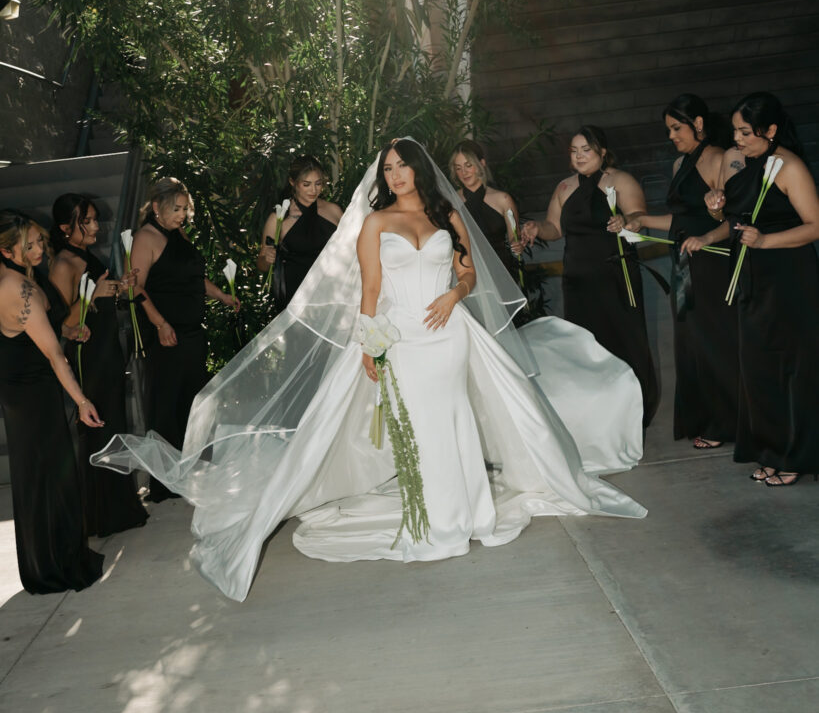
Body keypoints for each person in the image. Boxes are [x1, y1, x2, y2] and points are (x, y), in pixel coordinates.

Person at [93, 138, 645, 602]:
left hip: (448, 332)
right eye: (388, 168)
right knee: (420, 427)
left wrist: (455, 294)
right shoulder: (375, 222)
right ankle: (435, 520)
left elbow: (469, 273)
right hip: (400, 337)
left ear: (419, 169)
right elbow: (371, 291)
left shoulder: (446, 215)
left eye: (403, 166)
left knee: (453, 418)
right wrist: (369, 346)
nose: (396, 174)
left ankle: (470, 512)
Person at [682, 93, 819, 486]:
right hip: (751, 276)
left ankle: (795, 456)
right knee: (759, 369)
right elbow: (737, 221)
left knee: (789, 368)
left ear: (770, 130)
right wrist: (712, 218)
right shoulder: (750, 165)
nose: (737, 139)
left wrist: (765, 241)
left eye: (745, 132)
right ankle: (771, 451)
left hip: (787, 277)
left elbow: (815, 225)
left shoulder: (789, 167)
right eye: (735, 131)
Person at [610, 95, 739, 448]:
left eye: (676, 128)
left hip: (712, 261)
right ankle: (705, 418)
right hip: (684, 262)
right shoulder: (679, 163)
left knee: (715, 340)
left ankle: (726, 422)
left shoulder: (721, 158)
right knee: (691, 342)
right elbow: (680, 220)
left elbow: (732, 219)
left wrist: (708, 234)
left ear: (698, 123)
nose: (671, 136)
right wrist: (640, 220)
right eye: (668, 129)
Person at [520, 126, 658, 428]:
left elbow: (639, 217)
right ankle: (598, 412)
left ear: (602, 152)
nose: (579, 156)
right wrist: (536, 228)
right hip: (578, 279)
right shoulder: (564, 187)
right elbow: (554, 228)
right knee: (586, 346)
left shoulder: (620, 180)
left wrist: (626, 220)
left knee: (623, 342)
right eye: (574, 151)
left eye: (586, 150)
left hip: (615, 275)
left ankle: (633, 410)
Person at [0, 211, 104, 594]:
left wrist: (68, 329)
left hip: (26, 389)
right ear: (6, 251)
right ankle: (53, 566)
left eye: (39, 241)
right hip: (31, 393)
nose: (39, 249)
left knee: (42, 476)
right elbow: (54, 356)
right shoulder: (18, 288)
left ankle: (48, 562)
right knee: (49, 478)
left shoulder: (19, 276)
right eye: (28, 245)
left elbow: (34, 329)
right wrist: (81, 400)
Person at [131, 177, 239, 502]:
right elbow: (135, 287)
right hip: (166, 334)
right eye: (176, 209)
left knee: (194, 403)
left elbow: (194, 277)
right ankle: (166, 482)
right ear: (156, 207)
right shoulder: (146, 237)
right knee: (167, 404)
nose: (182, 215)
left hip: (192, 333)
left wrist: (221, 295)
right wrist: (160, 324)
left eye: (184, 209)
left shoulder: (178, 233)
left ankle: (195, 471)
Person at [49, 193, 149, 535]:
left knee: (113, 427)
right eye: (86, 221)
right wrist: (95, 295)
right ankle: (103, 515)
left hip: (105, 350)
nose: (95, 226)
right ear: (66, 228)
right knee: (101, 430)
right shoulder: (64, 263)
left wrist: (119, 288)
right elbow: (62, 321)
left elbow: (95, 302)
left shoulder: (83, 255)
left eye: (94, 219)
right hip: (89, 357)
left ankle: (116, 509)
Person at [257, 155, 342, 309]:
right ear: (292, 182)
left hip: (331, 292)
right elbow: (261, 265)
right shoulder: (279, 218)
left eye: (318, 184)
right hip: (296, 296)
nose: (314, 190)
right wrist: (267, 259)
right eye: (306, 184)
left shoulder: (334, 210)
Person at [449, 140, 520, 279]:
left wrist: (517, 245)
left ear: (482, 163)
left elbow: (515, 237)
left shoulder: (503, 199)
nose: (464, 172)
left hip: (500, 269)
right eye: (458, 168)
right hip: (466, 272)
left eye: (468, 165)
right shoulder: (451, 202)